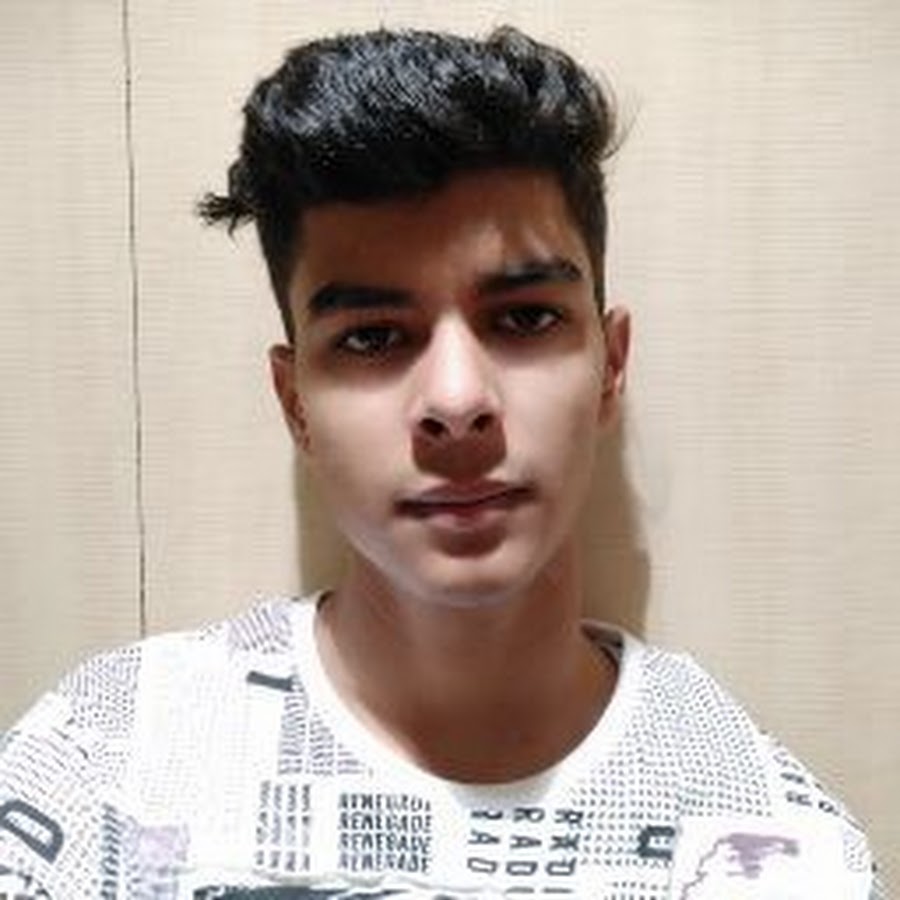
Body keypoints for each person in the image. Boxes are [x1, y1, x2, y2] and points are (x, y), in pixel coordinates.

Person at [0, 25, 881, 899]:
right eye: (372, 337)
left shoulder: (767, 840)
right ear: (295, 401)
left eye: (526, 318)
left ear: (611, 368)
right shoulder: (105, 767)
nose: (457, 403)